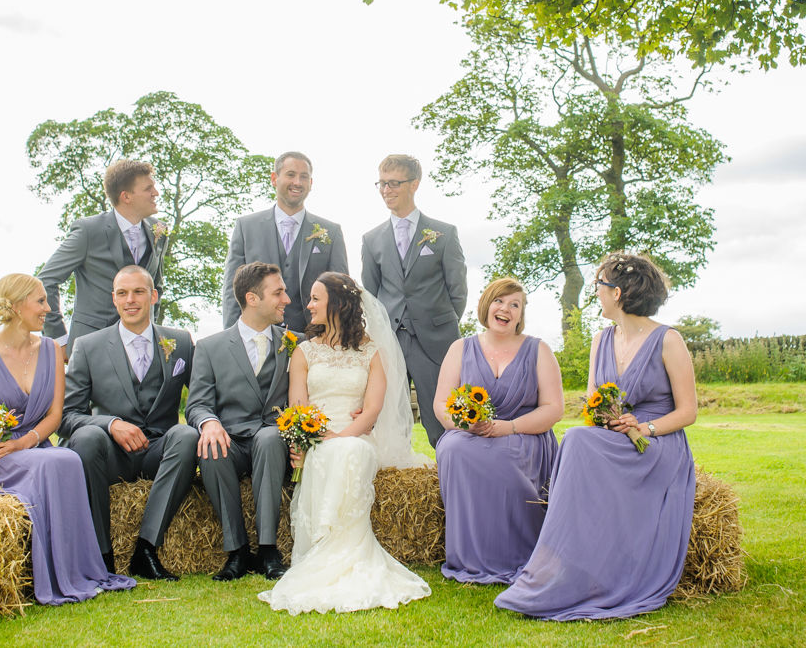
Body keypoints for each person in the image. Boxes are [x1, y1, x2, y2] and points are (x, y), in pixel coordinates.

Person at [495, 253, 697, 620]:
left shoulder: (668, 340)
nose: (596, 294)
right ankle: (568, 566)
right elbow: (592, 404)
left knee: (574, 440)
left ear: (617, 293)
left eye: (599, 287)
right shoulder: (600, 340)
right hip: (614, 436)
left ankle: (577, 567)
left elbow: (688, 412)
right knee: (578, 439)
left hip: (657, 442)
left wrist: (644, 428)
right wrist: (606, 417)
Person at [0, 273, 135, 605]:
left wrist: (25, 442)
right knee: (57, 461)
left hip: (33, 445)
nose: (48, 309)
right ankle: (55, 577)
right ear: (17, 305)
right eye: (41, 301)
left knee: (65, 458)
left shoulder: (53, 349)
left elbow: (55, 415)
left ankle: (81, 570)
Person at [259, 272, 431, 615]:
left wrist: (343, 435)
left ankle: (349, 550)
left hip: (357, 436)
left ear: (337, 304)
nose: (308, 305)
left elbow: (372, 410)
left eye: (315, 298)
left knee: (350, 450)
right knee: (333, 451)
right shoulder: (304, 352)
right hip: (317, 438)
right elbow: (298, 406)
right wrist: (307, 440)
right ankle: (323, 549)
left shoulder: (371, 351)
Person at [58, 266, 197, 580]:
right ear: (114, 299)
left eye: (138, 292)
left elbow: (202, 396)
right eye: (122, 293)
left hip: (159, 453)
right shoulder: (88, 346)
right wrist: (111, 424)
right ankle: (100, 556)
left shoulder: (181, 342)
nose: (130, 300)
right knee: (88, 437)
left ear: (153, 296)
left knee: (187, 435)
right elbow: (66, 417)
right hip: (110, 457)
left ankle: (146, 549)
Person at [433, 278, 562, 585]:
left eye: (514, 305)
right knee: (452, 447)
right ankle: (471, 556)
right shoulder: (460, 348)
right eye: (499, 301)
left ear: (520, 315)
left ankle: (525, 554)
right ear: (486, 306)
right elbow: (440, 403)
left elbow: (553, 408)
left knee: (505, 454)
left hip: (524, 434)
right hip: (471, 433)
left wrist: (510, 427)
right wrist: (463, 424)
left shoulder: (539, 350)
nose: (505, 309)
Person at [185, 262, 296, 581]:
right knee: (210, 447)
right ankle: (236, 552)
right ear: (252, 298)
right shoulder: (210, 347)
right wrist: (208, 423)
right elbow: (197, 404)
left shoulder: (294, 342)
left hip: (273, 444)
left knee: (269, 437)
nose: (286, 299)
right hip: (230, 443)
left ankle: (267, 550)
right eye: (278, 292)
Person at [361, 154, 467, 447]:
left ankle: (449, 481)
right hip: (389, 340)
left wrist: (437, 323)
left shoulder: (444, 234)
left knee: (442, 421)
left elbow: (457, 290)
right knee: (389, 418)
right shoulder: (371, 240)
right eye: (381, 184)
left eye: (394, 183)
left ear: (414, 184)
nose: (386, 190)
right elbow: (370, 294)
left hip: (435, 340)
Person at [39, 160, 168, 353]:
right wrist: (58, 337)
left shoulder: (159, 230)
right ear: (126, 196)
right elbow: (45, 281)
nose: (156, 193)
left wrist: (150, 326)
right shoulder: (88, 231)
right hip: (91, 347)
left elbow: (156, 286)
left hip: (140, 347)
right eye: (148, 188)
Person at [222, 151, 349, 332]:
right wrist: (232, 337)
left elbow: (340, 294)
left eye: (304, 177)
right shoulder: (246, 227)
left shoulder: (331, 232)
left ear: (311, 183)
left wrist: (337, 337)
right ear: (274, 179)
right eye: (291, 175)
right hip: (257, 336)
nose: (297, 182)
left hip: (313, 341)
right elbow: (231, 290)